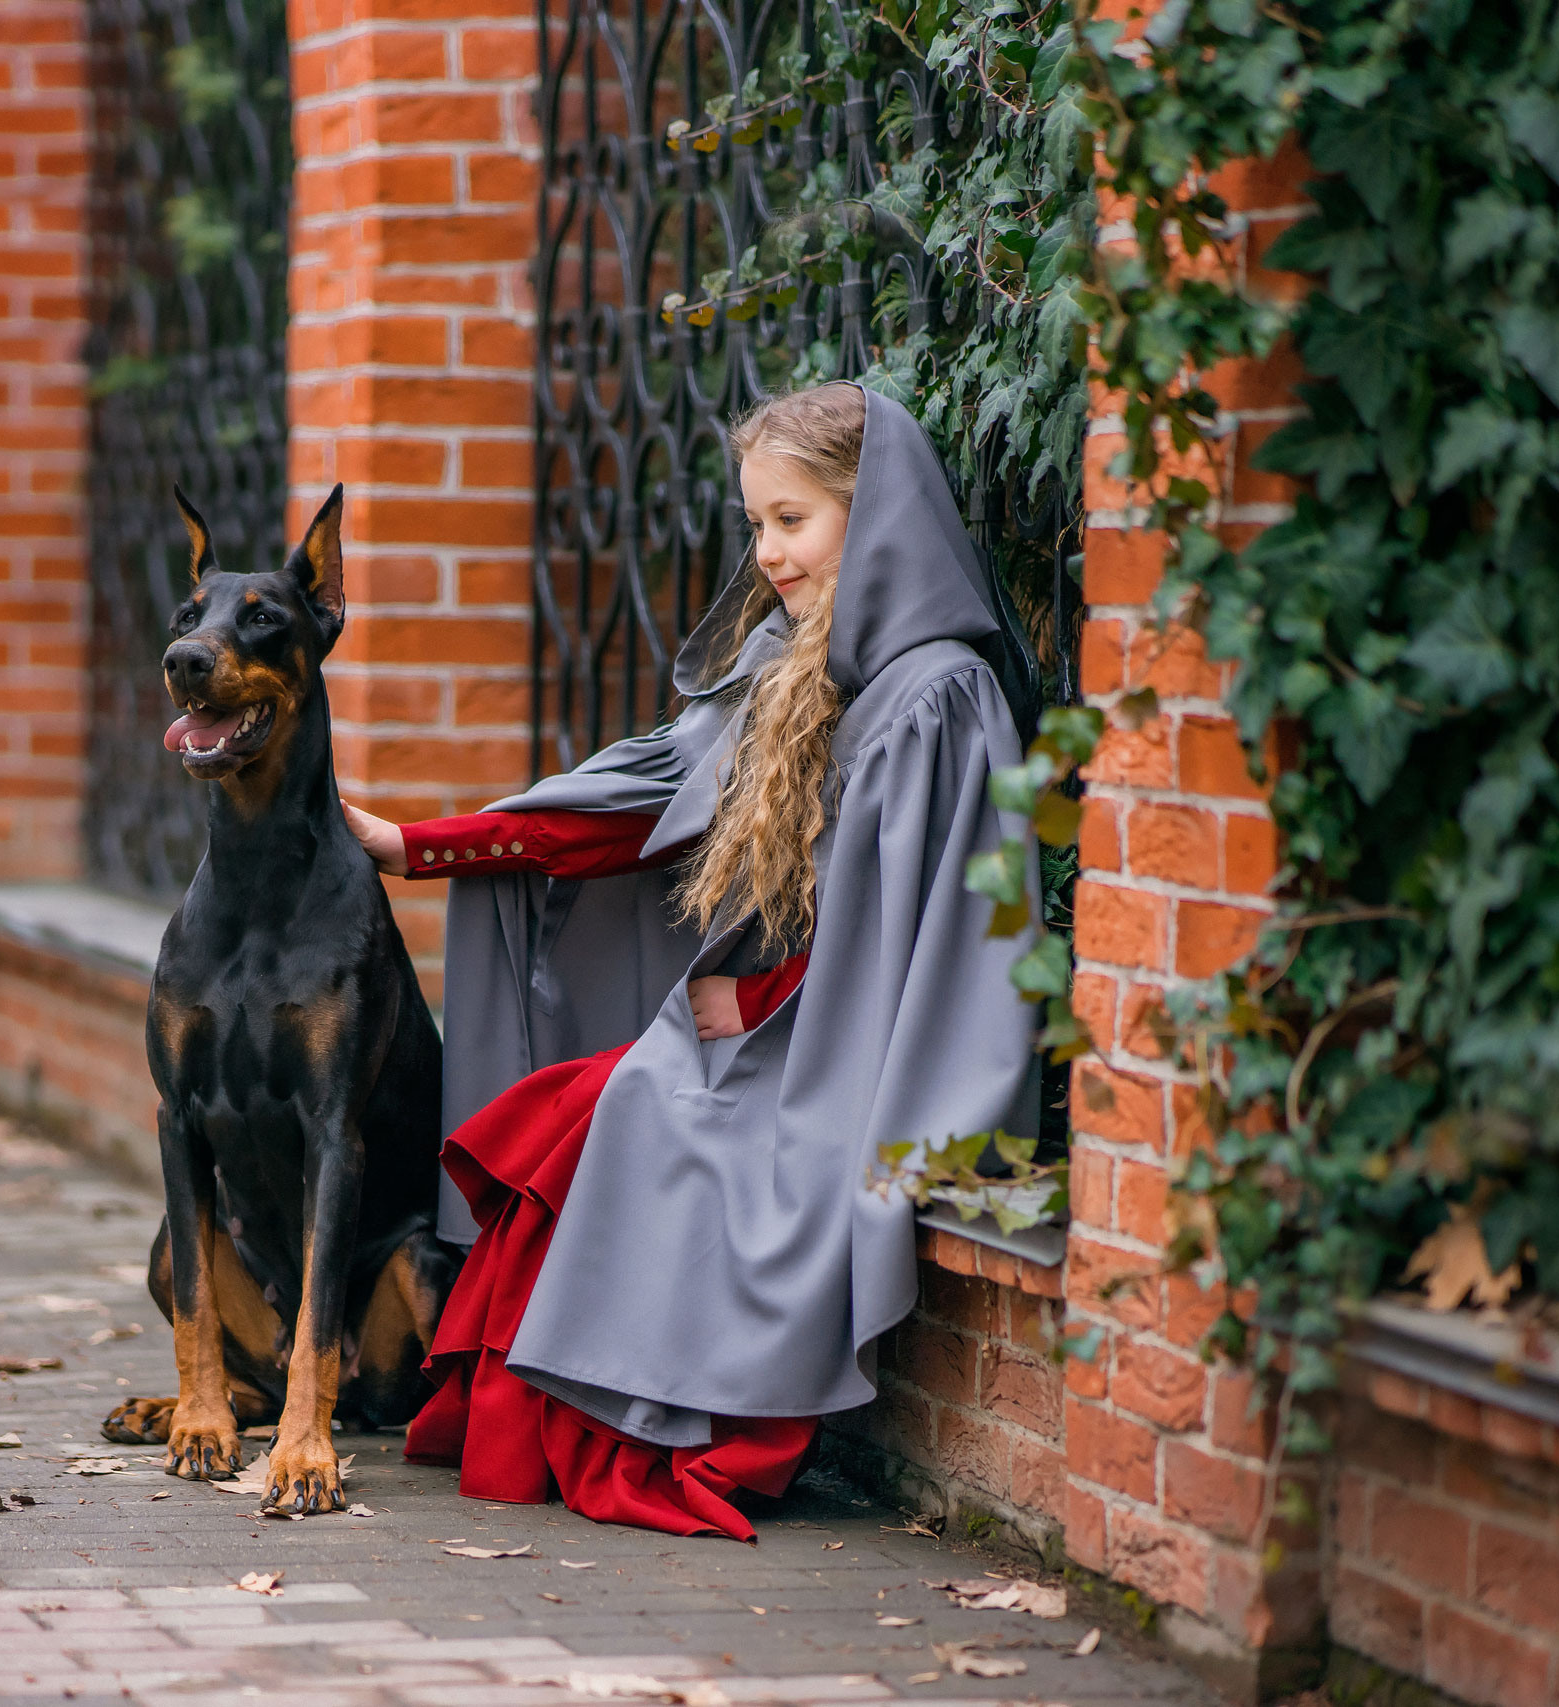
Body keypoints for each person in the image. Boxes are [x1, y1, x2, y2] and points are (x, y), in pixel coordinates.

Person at [341, 382, 1042, 1540]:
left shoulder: (936, 697)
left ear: (876, 520)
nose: (767, 552)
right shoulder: (789, 663)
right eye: (756, 523)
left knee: (623, 1113)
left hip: (846, 1066)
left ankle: (658, 1425)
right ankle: (541, 1425)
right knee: (567, 1113)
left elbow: (922, 944)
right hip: (778, 1031)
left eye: (792, 521)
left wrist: (762, 995)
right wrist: (420, 847)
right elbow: (648, 807)